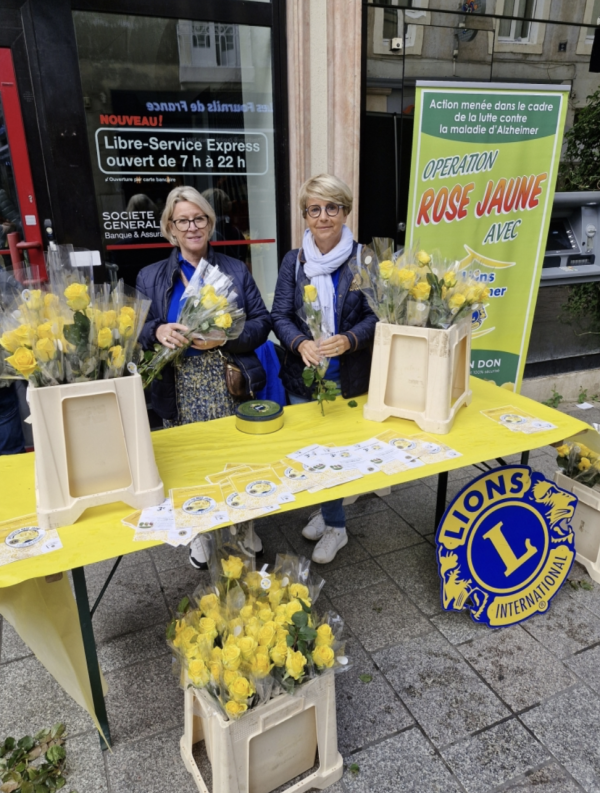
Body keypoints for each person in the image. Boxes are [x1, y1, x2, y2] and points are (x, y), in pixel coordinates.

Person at [136, 185, 271, 568]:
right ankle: (198, 531)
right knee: (189, 464)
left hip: (227, 377)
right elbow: (138, 330)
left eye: (199, 218)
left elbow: (262, 323)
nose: (192, 227)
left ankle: (244, 527)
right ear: (171, 229)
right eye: (183, 220)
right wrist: (156, 332)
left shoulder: (235, 269)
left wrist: (227, 337)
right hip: (177, 385)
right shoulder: (151, 276)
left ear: (210, 224)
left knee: (238, 461)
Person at [271, 173, 377, 564]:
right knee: (311, 454)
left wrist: (349, 339)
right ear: (305, 216)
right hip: (305, 376)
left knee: (337, 455)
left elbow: (378, 317)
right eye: (314, 209)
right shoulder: (293, 261)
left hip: (348, 378)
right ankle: (327, 510)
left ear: (345, 210)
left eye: (332, 207)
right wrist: (300, 343)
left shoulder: (364, 258)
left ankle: (336, 527)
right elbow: (279, 315)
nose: (323, 216)